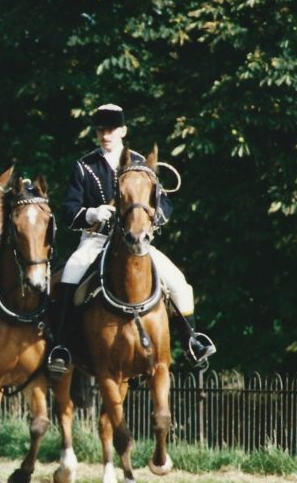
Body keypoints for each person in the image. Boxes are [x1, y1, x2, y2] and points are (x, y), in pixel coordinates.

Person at [48, 103, 216, 378]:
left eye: (111, 130)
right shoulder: (84, 166)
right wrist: (92, 212)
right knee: (70, 273)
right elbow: (68, 210)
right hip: (95, 240)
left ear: (123, 131)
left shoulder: (141, 163)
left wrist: (157, 215)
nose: (106, 135)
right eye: (102, 130)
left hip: (135, 242)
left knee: (179, 283)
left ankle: (192, 340)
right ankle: (61, 347)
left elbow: (164, 203)